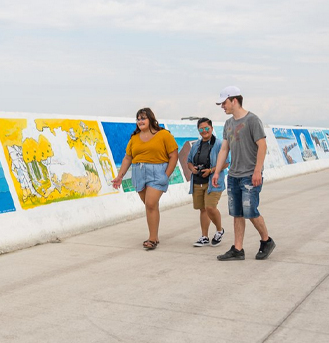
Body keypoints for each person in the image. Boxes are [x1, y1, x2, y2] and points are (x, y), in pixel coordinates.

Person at [212, 86, 276, 261]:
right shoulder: (228, 124)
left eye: (224, 103)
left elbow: (262, 145)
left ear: (234, 100)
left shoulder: (252, 120)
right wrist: (217, 171)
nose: (222, 106)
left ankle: (266, 240)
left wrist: (257, 171)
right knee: (237, 212)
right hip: (234, 175)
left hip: (250, 175)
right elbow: (224, 148)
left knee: (250, 211)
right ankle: (238, 249)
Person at [112, 108, 179, 250]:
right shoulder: (134, 138)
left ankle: (152, 239)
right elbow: (128, 158)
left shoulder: (163, 135)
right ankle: (155, 235)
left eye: (143, 118)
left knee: (150, 203)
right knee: (150, 206)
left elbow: (174, 155)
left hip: (157, 172)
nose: (140, 121)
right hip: (139, 172)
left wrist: (166, 175)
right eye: (138, 119)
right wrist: (120, 176)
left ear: (150, 119)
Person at [187, 117, 229, 247]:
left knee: (210, 207)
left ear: (211, 128)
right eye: (201, 129)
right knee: (202, 209)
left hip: (214, 182)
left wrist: (211, 170)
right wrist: (192, 168)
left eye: (206, 128)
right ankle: (204, 237)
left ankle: (219, 230)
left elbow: (226, 162)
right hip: (198, 181)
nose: (204, 131)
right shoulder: (196, 145)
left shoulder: (220, 144)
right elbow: (189, 161)